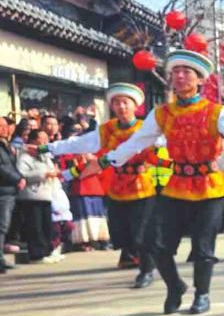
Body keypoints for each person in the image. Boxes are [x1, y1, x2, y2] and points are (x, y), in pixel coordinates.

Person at [91, 49, 224, 314]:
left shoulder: (216, 112)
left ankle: (202, 294)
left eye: (186, 72)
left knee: (203, 247)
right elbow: (137, 142)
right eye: (176, 72)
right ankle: (175, 287)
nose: (180, 76)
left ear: (200, 79)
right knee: (156, 244)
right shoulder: (162, 113)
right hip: (176, 186)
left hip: (209, 187)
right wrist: (109, 159)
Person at [35, 84, 159, 287]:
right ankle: (132, 256)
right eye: (116, 103)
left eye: (125, 102)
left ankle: (146, 270)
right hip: (116, 188)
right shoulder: (107, 129)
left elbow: (162, 151)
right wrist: (46, 148)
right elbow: (77, 144)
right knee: (120, 231)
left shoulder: (145, 129)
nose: (121, 107)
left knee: (141, 232)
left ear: (135, 106)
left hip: (141, 188)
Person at [17, 129, 60, 264]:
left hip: (45, 194)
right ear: (33, 140)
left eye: (47, 138)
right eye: (42, 138)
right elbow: (22, 174)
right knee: (35, 227)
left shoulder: (45, 156)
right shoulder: (25, 157)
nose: (46, 141)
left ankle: (47, 251)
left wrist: (53, 172)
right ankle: (36, 254)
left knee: (47, 226)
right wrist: (44, 173)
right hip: (32, 195)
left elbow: (51, 169)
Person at [0, 116, 24, 273]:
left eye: (5, 125)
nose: (3, 129)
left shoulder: (6, 145)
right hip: (3, 190)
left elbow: (11, 166)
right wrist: (17, 179)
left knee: (4, 225)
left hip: (9, 191)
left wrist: (20, 177)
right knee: (1, 226)